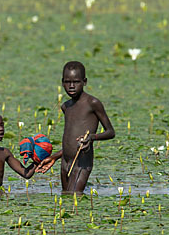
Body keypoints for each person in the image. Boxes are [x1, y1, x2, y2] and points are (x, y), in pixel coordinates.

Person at [36, 61, 115, 192]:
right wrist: (54, 157)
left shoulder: (93, 103)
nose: (71, 86)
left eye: (76, 82)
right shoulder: (66, 106)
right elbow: (70, 143)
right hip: (65, 162)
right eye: (67, 82)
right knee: (66, 196)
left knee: (74, 198)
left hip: (82, 162)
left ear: (84, 82)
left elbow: (110, 132)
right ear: (62, 82)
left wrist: (91, 137)